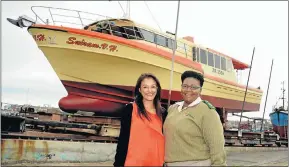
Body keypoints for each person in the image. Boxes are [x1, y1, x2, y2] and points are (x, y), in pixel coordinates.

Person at [163, 70, 227, 166]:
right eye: (185, 86)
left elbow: (217, 148)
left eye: (194, 87)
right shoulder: (173, 108)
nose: (188, 90)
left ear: (200, 90)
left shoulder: (207, 112)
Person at [114, 73, 166, 167]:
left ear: (157, 89)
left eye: (153, 87)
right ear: (139, 90)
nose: (149, 90)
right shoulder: (130, 109)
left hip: (156, 163)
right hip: (133, 162)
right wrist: (118, 164)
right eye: (145, 87)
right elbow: (123, 140)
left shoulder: (163, 113)